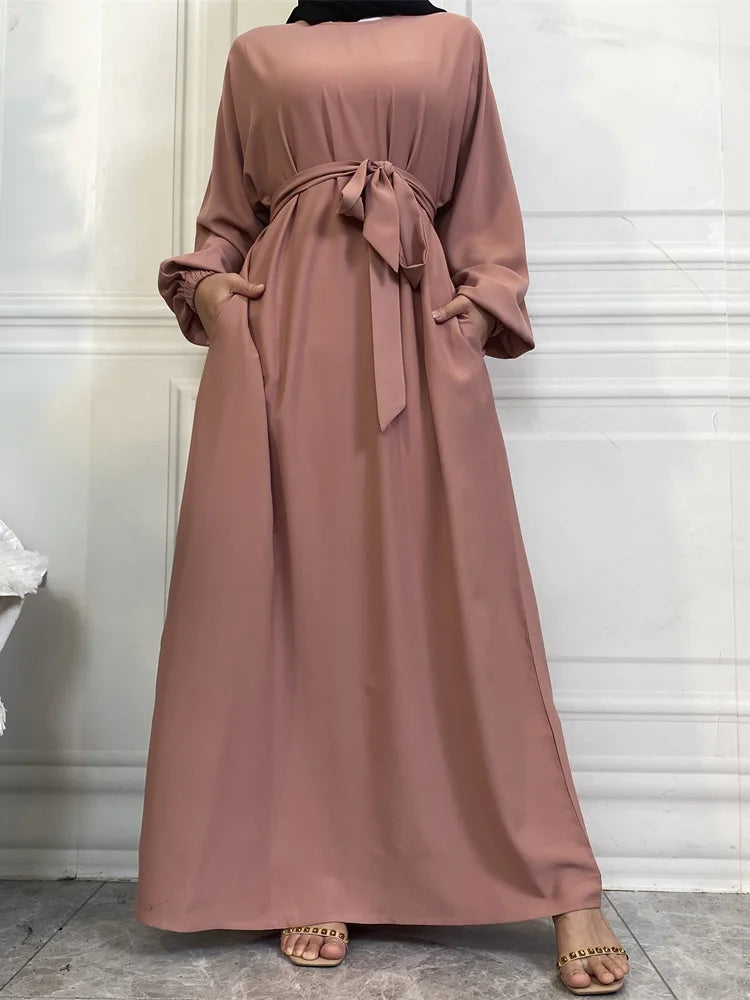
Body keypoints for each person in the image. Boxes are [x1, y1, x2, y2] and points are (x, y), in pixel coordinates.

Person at [135, 2, 630, 994]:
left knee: (470, 603)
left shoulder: (455, 42)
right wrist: (216, 294)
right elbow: (227, 220)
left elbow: (483, 203)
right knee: (297, 606)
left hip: (415, 332)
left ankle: (564, 879)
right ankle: (314, 858)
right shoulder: (257, 54)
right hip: (281, 350)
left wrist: (477, 306)